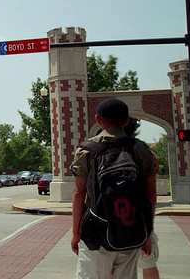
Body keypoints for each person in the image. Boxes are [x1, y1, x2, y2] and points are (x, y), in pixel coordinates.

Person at [70, 98, 157, 278]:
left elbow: (79, 193)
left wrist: (76, 233)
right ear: (126, 121)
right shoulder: (140, 149)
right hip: (131, 230)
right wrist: (147, 233)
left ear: (98, 120)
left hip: (95, 234)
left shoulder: (86, 150)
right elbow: (150, 195)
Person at [123, 118, 160, 279]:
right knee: (148, 262)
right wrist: (149, 228)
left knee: (113, 267)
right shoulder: (146, 153)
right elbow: (151, 193)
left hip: (112, 219)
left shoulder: (101, 151)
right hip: (141, 219)